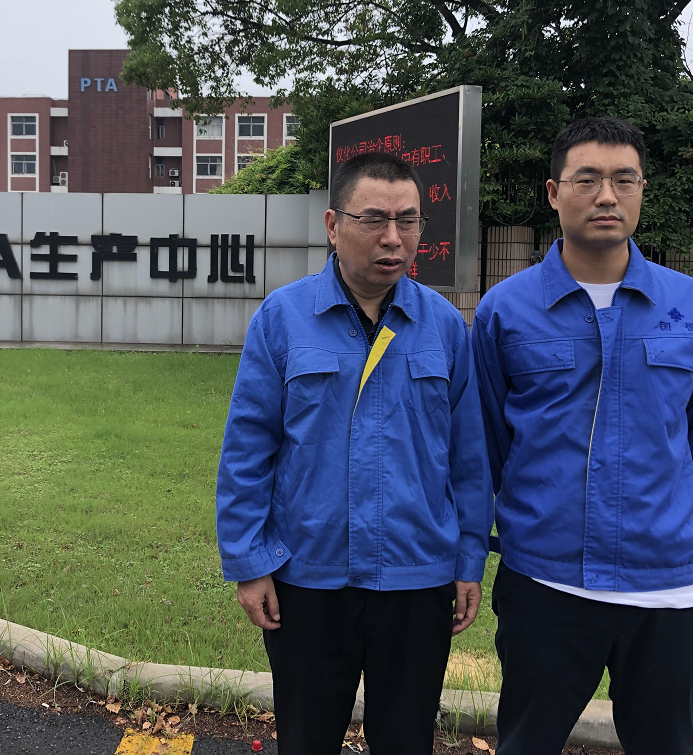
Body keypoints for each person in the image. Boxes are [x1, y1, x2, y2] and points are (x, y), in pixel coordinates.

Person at [215, 152, 492, 753]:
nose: (393, 238)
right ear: (333, 225)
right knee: (307, 738)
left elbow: (468, 458)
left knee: (407, 739)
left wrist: (469, 559)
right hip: (308, 577)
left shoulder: (444, 326)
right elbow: (247, 449)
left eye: (408, 220)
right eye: (373, 220)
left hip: (417, 577)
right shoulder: (282, 319)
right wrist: (249, 562)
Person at [471, 117, 693, 754]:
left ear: (642, 190)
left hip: (667, 586)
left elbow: (690, 437)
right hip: (546, 582)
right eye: (586, 179)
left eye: (624, 179)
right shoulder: (504, 311)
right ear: (554, 193)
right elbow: (488, 446)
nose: (606, 196)